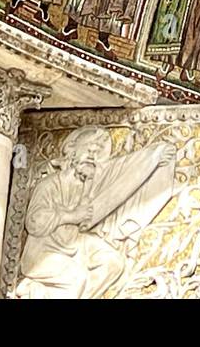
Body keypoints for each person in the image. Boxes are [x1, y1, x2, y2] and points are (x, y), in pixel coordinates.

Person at [16, 128, 176, 300]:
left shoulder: (90, 185)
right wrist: (72, 216)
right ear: (72, 150)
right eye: (90, 149)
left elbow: (124, 171)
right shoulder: (50, 184)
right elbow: (34, 223)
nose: (93, 156)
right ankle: (34, 290)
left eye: (98, 153)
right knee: (76, 278)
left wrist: (154, 157)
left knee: (113, 262)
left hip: (76, 245)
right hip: (43, 251)